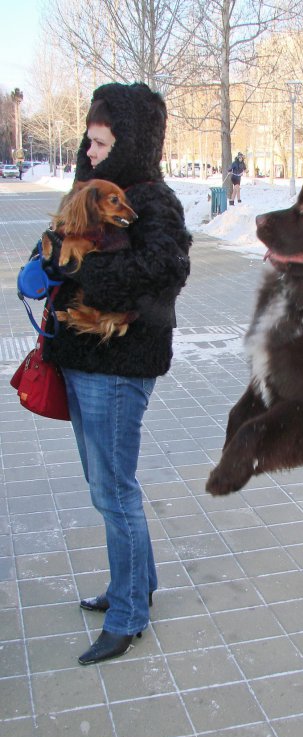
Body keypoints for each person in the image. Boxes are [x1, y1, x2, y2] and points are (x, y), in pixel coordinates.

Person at [38, 82, 192, 665]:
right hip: (84, 360)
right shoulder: (89, 192)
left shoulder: (153, 200)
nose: (90, 150)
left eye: (99, 142)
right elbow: (59, 246)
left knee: (114, 491)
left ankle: (129, 613)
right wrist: (50, 258)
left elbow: (166, 267)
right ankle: (138, 584)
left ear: (126, 141)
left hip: (120, 368)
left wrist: (83, 271)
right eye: (88, 140)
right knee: (107, 487)